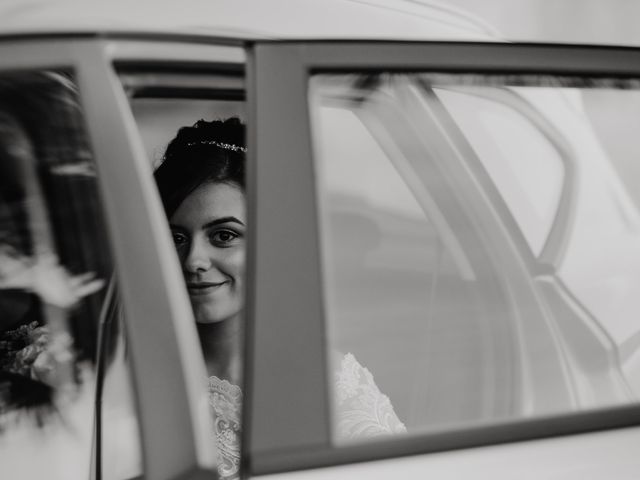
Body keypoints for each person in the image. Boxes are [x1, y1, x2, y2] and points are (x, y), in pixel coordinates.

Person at [154, 117, 405, 480]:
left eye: (223, 236)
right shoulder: (122, 366)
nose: (194, 260)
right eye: (176, 237)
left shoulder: (324, 385)